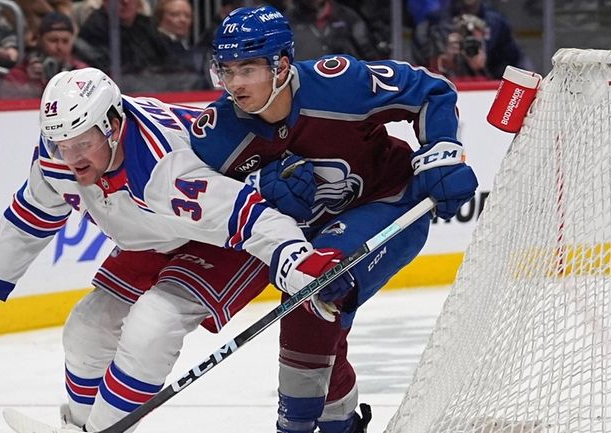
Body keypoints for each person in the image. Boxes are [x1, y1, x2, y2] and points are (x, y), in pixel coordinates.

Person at [0, 67, 355, 432]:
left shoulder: (165, 167)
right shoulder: (58, 156)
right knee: (86, 328)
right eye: (63, 144)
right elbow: (30, 221)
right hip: (157, 232)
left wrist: (298, 259)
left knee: (153, 326)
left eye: (83, 143)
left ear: (114, 126)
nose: (73, 159)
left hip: (225, 237)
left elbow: (248, 217)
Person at [191, 6, 478, 433]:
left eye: (247, 68)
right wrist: (253, 187)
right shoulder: (219, 135)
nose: (234, 84)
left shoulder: (339, 83)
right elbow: (201, 202)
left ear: (282, 65)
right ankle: (341, 424)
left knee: (315, 294)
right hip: (315, 234)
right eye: (226, 70)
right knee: (326, 331)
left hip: (390, 201)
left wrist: (441, 150)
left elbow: (431, 91)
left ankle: (295, 427)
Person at [0, 12, 88, 99]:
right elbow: (6, 106)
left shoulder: (83, 72)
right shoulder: (18, 75)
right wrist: (32, 85)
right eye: (53, 40)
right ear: (39, 40)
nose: (59, 47)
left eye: (65, 41)